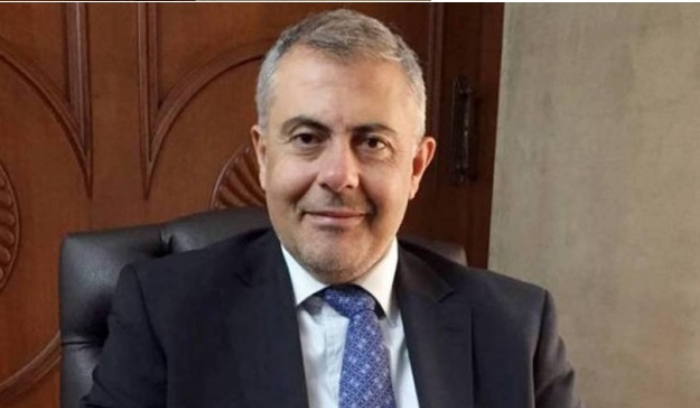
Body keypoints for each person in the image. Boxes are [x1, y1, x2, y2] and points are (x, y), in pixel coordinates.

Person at [81, 9, 583, 408]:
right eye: (307, 137)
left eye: (372, 142)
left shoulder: (517, 329)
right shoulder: (165, 312)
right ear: (263, 157)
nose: (339, 175)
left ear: (416, 167)